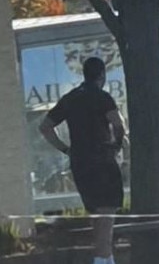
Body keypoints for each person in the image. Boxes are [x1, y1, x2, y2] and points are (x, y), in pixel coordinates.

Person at [39, 57, 126, 264]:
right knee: (106, 216)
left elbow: (45, 127)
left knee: (96, 216)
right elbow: (118, 123)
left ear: (84, 74)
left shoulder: (70, 98)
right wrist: (117, 144)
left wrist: (66, 149)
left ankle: (105, 259)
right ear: (102, 75)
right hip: (102, 160)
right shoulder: (102, 97)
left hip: (80, 162)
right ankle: (102, 260)